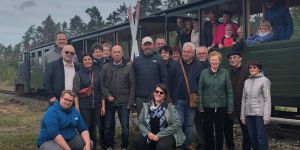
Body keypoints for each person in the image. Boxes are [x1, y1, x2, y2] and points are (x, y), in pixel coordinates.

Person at [101, 45, 135, 150]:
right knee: (109, 126)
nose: (116, 54)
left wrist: (130, 102)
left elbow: (132, 85)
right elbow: (101, 84)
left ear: (122, 53)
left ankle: (124, 146)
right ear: (111, 54)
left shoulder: (129, 67)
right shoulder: (106, 67)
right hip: (110, 102)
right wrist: (107, 95)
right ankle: (109, 145)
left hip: (124, 102)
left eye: (118, 52)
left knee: (125, 126)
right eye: (114, 52)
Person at [198, 51, 233, 150]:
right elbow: (200, 89)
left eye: (216, 60)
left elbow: (229, 90)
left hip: (221, 106)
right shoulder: (204, 73)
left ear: (220, 61)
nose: (214, 62)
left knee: (219, 130)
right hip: (207, 106)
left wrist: (230, 106)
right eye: (212, 60)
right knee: (208, 130)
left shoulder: (225, 72)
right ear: (209, 61)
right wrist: (200, 105)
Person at [173, 42, 205, 150]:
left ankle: (187, 144)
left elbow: (202, 84)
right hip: (178, 100)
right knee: (179, 124)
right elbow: (169, 82)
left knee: (189, 124)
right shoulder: (176, 65)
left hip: (192, 101)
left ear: (193, 53)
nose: (185, 54)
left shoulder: (199, 66)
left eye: (188, 52)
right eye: (184, 52)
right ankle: (179, 145)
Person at [134, 84, 186, 150]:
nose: (158, 94)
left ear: (165, 96)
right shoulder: (146, 107)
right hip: (150, 133)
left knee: (162, 147)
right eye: (156, 91)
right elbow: (140, 123)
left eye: (161, 93)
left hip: (166, 134)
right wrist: (148, 133)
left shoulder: (169, 107)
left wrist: (159, 135)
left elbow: (176, 124)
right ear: (153, 93)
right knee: (138, 141)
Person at [72, 54, 105, 150]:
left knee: (94, 128)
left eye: (89, 59)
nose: (87, 61)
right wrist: (77, 108)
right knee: (85, 128)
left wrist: (103, 106)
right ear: (82, 62)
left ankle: (93, 146)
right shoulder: (78, 74)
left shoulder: (98, 73)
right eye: (85, 59)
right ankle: (85, 146)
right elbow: (75, 92)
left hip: (97, 106)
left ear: (92, 61)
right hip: (84, 106)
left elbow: (101, 90)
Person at [133, 36, 168, 116]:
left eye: (149, 44)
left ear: (153, 46)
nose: (147, 47)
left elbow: (164, 78)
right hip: (140, 97)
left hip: (156, 96)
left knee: (156, 120)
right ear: (142, 46)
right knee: (142, 121)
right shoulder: (137, 60)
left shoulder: (159, 59)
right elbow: (133, 79)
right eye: (145, 45)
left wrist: (164, 94)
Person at [240, 61, 271, 150]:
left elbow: (267, 99)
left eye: (254, 67)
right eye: (250, 67)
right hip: (248, 114)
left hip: (260, 115)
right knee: (252, 137)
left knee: (261, 137)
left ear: (259, 69)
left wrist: (266, 117)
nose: (252, 69)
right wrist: (242, 116)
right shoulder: (247, 81)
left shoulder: (265, 80)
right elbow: (243, 99)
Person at [225, 51, 251, 150]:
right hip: (230, 105)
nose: (232, 60)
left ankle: (246, 147)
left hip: (242, 105)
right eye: (230, 58)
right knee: (227, 127)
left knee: (245, 129)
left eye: (234, 57)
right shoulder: (229, 71)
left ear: (240, 59)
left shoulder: (247, 70)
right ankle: (230, 146)